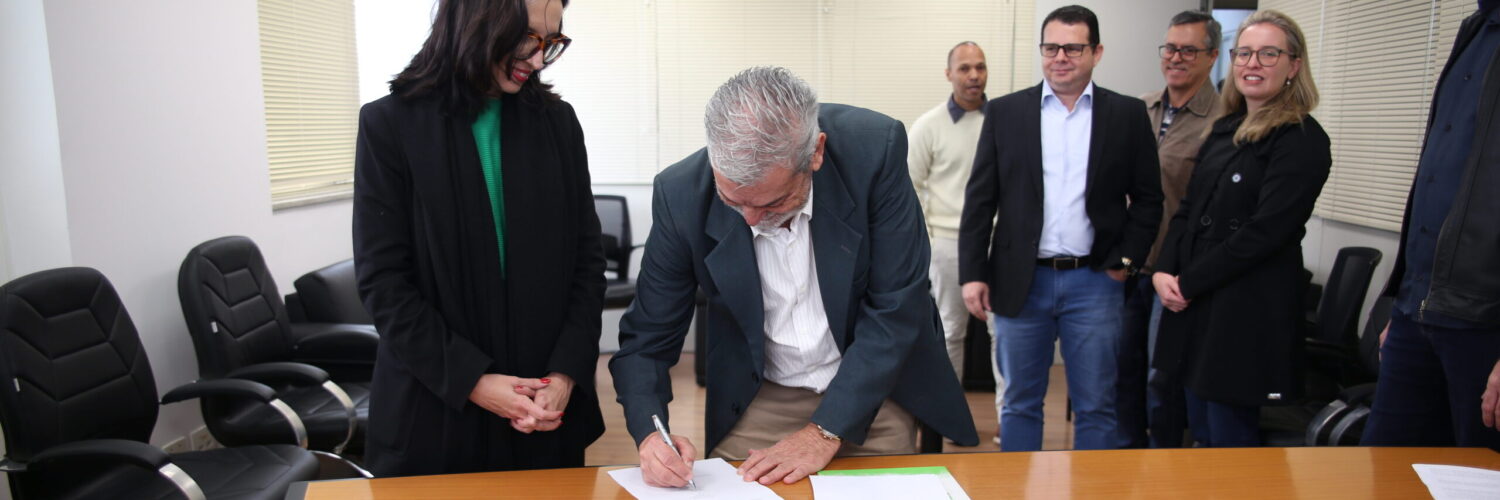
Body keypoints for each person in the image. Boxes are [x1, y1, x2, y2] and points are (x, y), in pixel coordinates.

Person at [611, 66, 977, 488]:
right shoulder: (681, 195)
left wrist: (824, 432)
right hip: (760, 394)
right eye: (733, 201)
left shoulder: (874, 151)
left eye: (773, 203)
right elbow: (648, 339)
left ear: (815, 153)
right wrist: (650, 434)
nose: (750, 221)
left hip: (873, 386)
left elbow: (897, 306)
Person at [352, 0, 606, 477]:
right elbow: (383, 283)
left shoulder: (558, 123)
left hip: (542, 411)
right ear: (478, 19)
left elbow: (588, 263)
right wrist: (473, 381)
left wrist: (565, 373)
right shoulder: (389, 125)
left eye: (551, 42)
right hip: (435, 413)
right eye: (528, 38)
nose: (538, 59)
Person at [959, 5, 1163, 452]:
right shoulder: (1007, 112)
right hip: (1020, 281)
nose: (1060, 57)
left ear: (1096, 52)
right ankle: (1018, 484)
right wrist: (972, 273)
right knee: (1018, 403)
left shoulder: (1126, 114)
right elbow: (980, 200)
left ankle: (1093, 486)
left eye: (1073, 48)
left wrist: (1126, 263)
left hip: (1096, 281)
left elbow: (1149, 199)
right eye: (1051, 48)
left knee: (1097, 405)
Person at [1151, 9, 1329, 448]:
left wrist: (1188, 281)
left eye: (1268, 54)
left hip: (1244, 310)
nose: (1252, 64)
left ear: (1294, 65)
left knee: (1230, 444)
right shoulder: (1224, 130)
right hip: (1196, 305)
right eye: (1244, 53)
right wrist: (1164, 270)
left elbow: (1264, 232)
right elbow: (1188, 209)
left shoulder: (1301, 139)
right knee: (1197, 431)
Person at [1362, 0, 1500, 451]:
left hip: (1484, 323)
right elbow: (1438, 178)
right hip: (1418, 310)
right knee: (1384, 470)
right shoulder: (1476, 29)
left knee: (1478, 476)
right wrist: (1407, 299)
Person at [1116, 10, 1223, 449]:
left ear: (1212, 56)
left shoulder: (1223, 120)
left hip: (1176, 271)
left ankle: (1162, 465)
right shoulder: (1139, 109)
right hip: (1130, 266)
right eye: (1170, 48)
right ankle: (1124, 460)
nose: (1176, 58)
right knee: (1122, 370)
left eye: (1189, 50)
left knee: (1161, 380)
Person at [907, 41, 1004, 442]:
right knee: (950, 331)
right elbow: (910, 186)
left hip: (1000, 242)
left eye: (980, 67)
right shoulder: (928, 126)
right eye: (964, 68)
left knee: (1004, 332)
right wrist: (928, 239)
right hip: (948, 242)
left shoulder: (1005, 120)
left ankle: (1007, 419)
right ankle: (950, 420)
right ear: (949, 74)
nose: (974, 75)